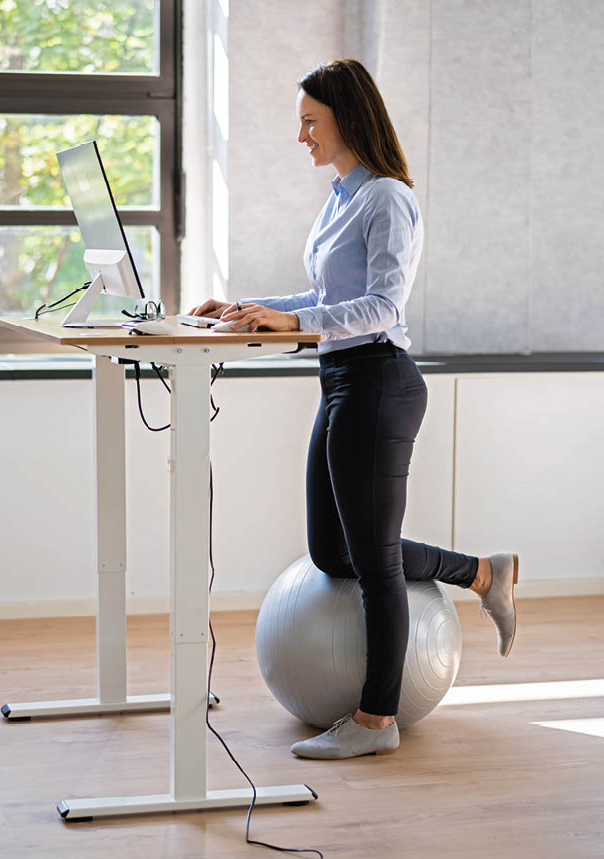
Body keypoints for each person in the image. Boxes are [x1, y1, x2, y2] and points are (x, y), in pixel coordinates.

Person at [190, 59, 518, 760]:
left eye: (310, 120)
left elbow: (381, 307)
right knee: (334, 550)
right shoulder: (342, 196)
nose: (300, 134)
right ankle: (484, 572)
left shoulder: (388, 199)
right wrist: (251, 308)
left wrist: (285, 324)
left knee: (372, 563)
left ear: (347, 117)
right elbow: (322, 298)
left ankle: (376, 721)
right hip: (340, 377)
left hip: (378, 381)